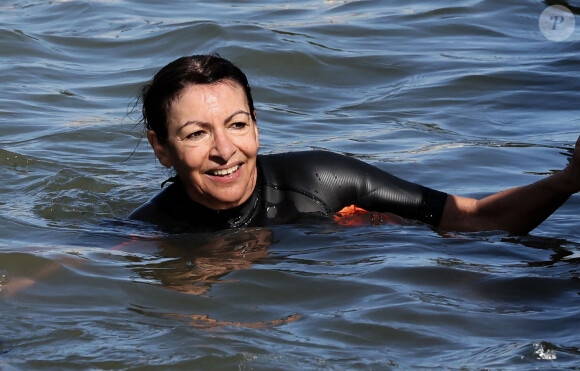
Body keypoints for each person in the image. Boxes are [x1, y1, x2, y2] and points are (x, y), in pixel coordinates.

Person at [130, 54, 580, 235]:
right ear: (161, 147)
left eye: (237, 125)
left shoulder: (324, 181)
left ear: (257, 127)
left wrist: (569, 180)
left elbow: (477, 219)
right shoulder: (149, 232)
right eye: (196, 134)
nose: (225, 150)